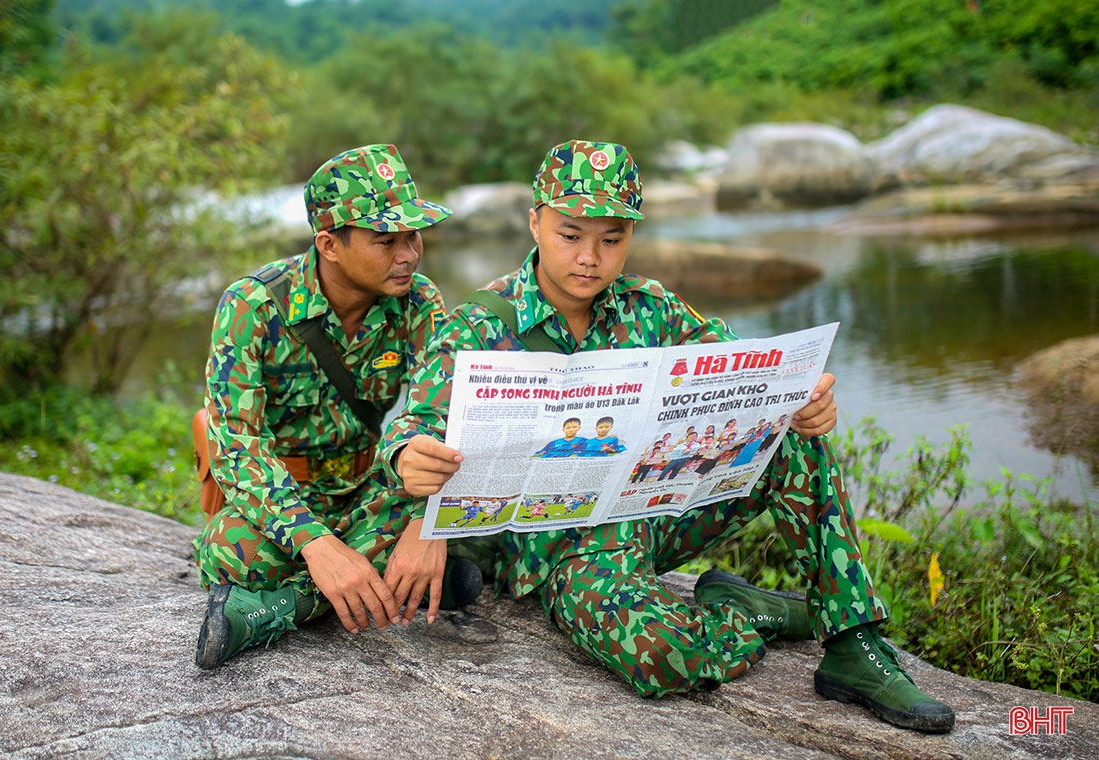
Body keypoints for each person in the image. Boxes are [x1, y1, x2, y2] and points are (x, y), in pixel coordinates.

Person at [378, 139, 955, 734]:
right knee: (663, 659)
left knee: (789, 435)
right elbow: (411, 426)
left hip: (651, 517)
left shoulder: (651, 309)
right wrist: (409, 461)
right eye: (570, 235)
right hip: (568, 556)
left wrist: (802, 401)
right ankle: (743, 612)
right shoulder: (480, 324)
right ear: (535, 222)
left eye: (611, 240)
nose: (589, 258)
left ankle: (854, 643)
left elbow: (750, 376)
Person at [192, 144, 482, 670]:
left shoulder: (418, 302)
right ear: (329, 244)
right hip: (286, 492)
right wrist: (316, 544)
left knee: (447, 528)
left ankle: (281, 608)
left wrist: (427, 524)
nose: (409, 254)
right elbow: (237, 447)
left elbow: (452, 416)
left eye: (414, 236)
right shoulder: (252, 307)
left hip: (372, 484)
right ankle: (403, 584)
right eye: (386, 241)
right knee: (235, 550)